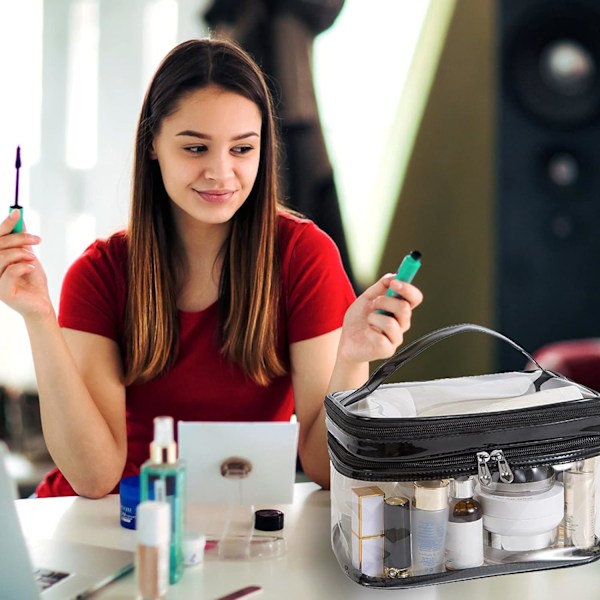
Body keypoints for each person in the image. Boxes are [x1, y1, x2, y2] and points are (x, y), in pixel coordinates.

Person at [0, 38, 422, 498]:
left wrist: (352, 358)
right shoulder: (101, 272)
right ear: (154, 145)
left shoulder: (304, 257)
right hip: (110, 519)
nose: (221, 173)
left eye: (242, 149)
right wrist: (37, 316)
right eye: (196, 148)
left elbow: (324, 469)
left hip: (235, 525)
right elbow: (94, 477)